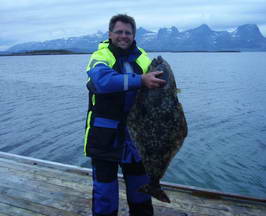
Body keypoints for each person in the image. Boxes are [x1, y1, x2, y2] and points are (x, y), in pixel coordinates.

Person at [84, 14, 166, 216]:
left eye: (128, 33)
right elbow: (103, 81)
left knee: (141, 192)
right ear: (110, 34)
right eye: (119, 32)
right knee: (105, 193)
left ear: (134, 35)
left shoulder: (143, 58)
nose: (123, 36)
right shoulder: (101, 56)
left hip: (137, 137)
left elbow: (157, 91)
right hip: (105, 136)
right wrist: (141, 80)